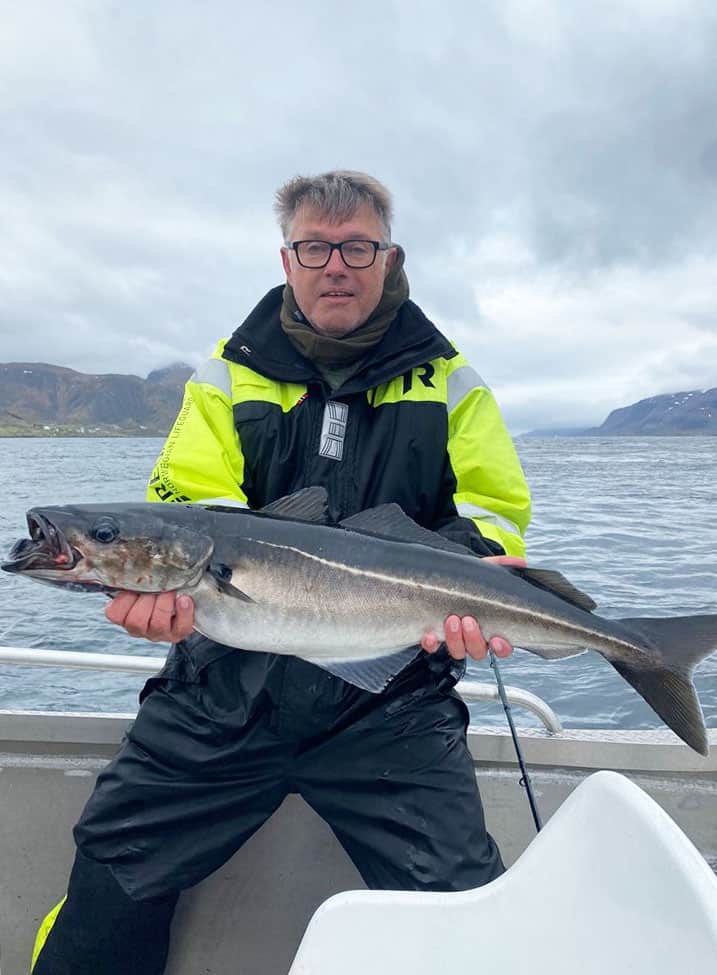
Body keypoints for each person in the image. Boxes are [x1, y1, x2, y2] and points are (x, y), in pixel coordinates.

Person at [31, 171, 531, 974]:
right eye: (315, 247)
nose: (336, 264)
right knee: (111, 879)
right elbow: (190, 507)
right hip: (220, 693)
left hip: (393, 704)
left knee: (463, 910)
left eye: (356, 247)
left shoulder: (453, 385)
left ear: (388, 256)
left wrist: (471, 583)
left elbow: (495, 515)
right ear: (287, 258)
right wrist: (164, 596)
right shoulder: (226, 376)